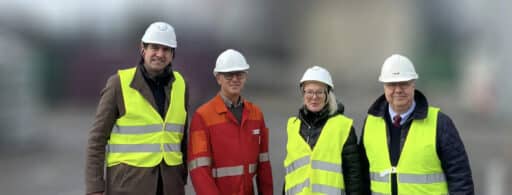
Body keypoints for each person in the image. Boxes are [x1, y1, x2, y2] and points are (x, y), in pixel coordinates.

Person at [85, 21, 188, 195]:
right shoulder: (119, 84)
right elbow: (97, 139)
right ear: (143, 49)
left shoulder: (181, 85)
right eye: (154, 47)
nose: (160, 54)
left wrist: (181, 177)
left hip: (170, 185)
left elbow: (182, 137)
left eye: (166, 49)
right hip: (128, 185)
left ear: (172, 55)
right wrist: (95, 187)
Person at [359, 54, 474, 194]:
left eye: (404, 83)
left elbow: (460, 179)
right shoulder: (371, 123)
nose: (398, 90)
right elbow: (362, 177)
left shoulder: (440, 124)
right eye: (391, 84)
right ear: (384, 87)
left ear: (413, 84)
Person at [187, 49, 273, 195]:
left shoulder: (256, 114)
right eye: (228, 75)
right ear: (218, 78)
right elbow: (199, 171)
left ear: (245, 77)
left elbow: (264, 166)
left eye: (239, 74)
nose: (235, 79)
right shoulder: (203, 116)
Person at [283, 66, 363, 194]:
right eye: (309, 92)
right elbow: (289, 175)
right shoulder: (292, 126)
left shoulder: (343, 127)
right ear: (303, 93)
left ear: (328, 94)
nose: (314, 97)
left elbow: (354, 177)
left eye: (319, 92)